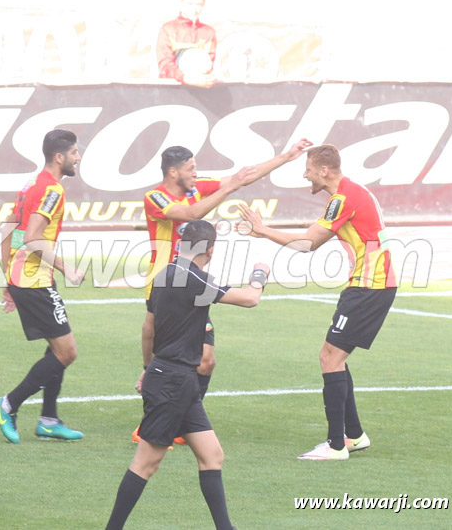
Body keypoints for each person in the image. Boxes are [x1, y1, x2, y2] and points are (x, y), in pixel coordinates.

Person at [134, 139, 313, 443]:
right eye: (190, 169)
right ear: (174, 172)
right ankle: (153, 421)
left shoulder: (196, 188)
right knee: (165, 356)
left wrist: (286, 157)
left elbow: (242, 177)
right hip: (166, 284)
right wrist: (226, 191)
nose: (196, 173)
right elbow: (188, 215)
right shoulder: (155, 197)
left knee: (206, 360)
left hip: (195, 282)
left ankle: (181, 422)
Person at [106, 220, 270, 530]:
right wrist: (259, 275)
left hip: (175, 380)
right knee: (145, 463)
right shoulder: (195, 279)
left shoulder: (165, 274)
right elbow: (250, 298)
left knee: (212, 455)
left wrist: (147, 369)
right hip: (173, 380)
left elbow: (148, 328)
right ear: (210, 250)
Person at [238, 144, 397, 460]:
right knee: (333, 356)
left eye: (308, 168)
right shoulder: (353, 192)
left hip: (370, 286)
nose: (305, 174)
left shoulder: (343, 198)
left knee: (330, 358)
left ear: (324, 170)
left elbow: (307, 243)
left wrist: (262, 229)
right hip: (370, 284)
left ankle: (336, 446)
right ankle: (353, 436)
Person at [0, 129, 85, 444]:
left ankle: (48, 419)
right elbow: (31, 236)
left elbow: (10, 231)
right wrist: (67, 268)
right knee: (67, 351)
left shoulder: (30, 186)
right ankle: (8, 404)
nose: (78, 157)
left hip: (25, 277)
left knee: (56, 347)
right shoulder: (53, 189)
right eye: (74, 153)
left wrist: (9, 278)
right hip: (34, 279)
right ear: (60, 157)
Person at [156, 0, 217, 87]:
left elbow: (209, 65)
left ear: (203, 5)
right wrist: (185, 78)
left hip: (201, 89)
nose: (195, 9)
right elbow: (165, 67)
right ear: (181, 4)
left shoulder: (208, 32)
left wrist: (208, 78)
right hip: (172, 89)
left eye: (198, 4)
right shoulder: (168, 29)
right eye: (190, 4)